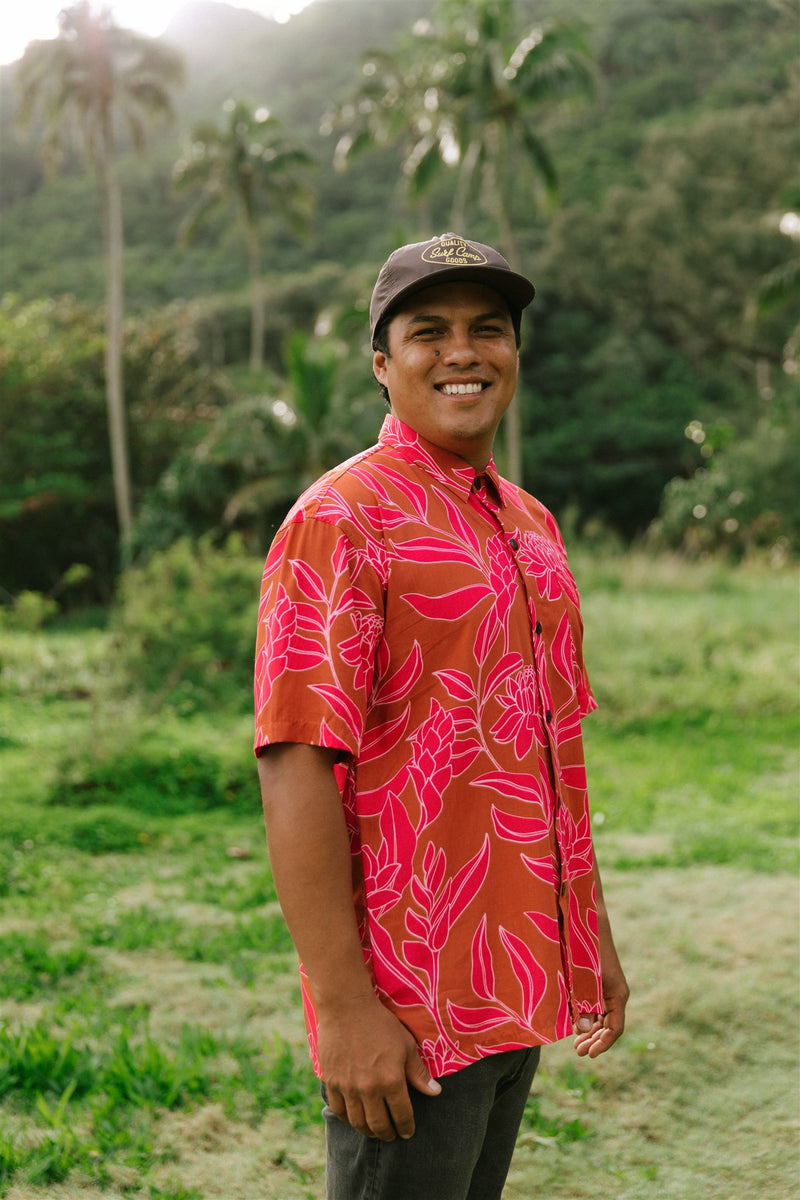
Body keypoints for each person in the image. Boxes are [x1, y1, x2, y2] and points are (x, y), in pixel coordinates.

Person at [254, 232, 628, 1200]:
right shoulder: (340, 520)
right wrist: (342, 1007)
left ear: (514, 351)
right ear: (382, 363)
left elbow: (548, 749)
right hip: (409, 1016)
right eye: (428, 332)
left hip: (518, 990)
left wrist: (591, 939)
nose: (462, 352)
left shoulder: (530, 525)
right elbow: (294, 760)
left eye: (487, 330)